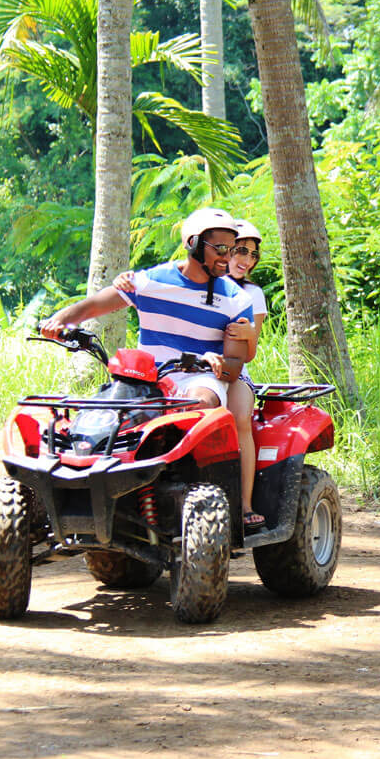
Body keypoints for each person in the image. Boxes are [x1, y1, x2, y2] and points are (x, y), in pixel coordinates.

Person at [114, 217, 269, 532]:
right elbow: (156, 284)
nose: (242, 258)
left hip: (231, 370)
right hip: (183, 368)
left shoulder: (249, 295)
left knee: (239, 417)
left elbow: (247, 352)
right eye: (237, 251)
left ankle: (244, 502)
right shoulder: (191, 275)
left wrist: (248, 336)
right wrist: (127, 280)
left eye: (250, 254)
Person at [39, 207, 254, 413]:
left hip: (200, 379)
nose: (227, 257)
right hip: (146, 378)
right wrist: (58, 321)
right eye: (221, 249)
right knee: (105, 414)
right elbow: (93, 306)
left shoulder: (237, 299)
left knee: (198, 404)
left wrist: (214, 363)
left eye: (232, 250)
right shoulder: (151, 283)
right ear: (193, 243)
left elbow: (235, 365)